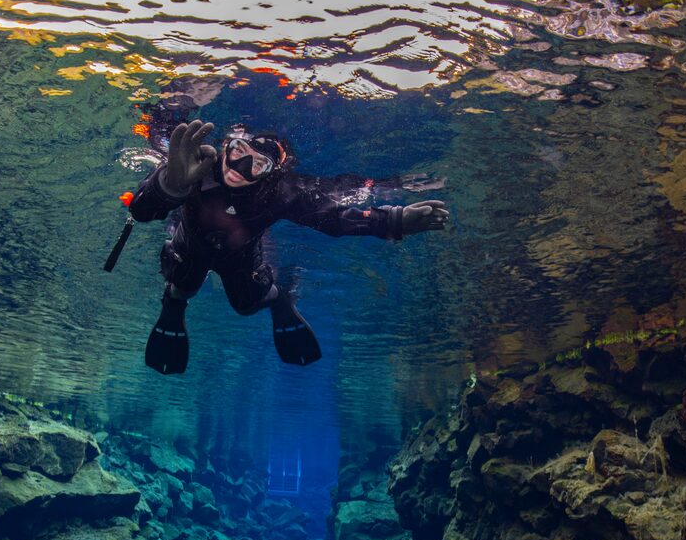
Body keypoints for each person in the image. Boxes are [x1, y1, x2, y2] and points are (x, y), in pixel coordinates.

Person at [128, 119, 449, 374]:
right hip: (189, 244)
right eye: (240, 152)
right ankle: (173, 305)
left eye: (257, 165)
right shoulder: (194, 165)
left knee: (248, 304)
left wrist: (392, 221)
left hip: (241, 256)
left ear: (272, 173)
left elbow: (333, 219)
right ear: (228, 146)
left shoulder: (279, 191)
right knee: (180, 282)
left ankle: (280, 299)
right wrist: (168, 185)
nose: (239, 169)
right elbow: (141, 212)